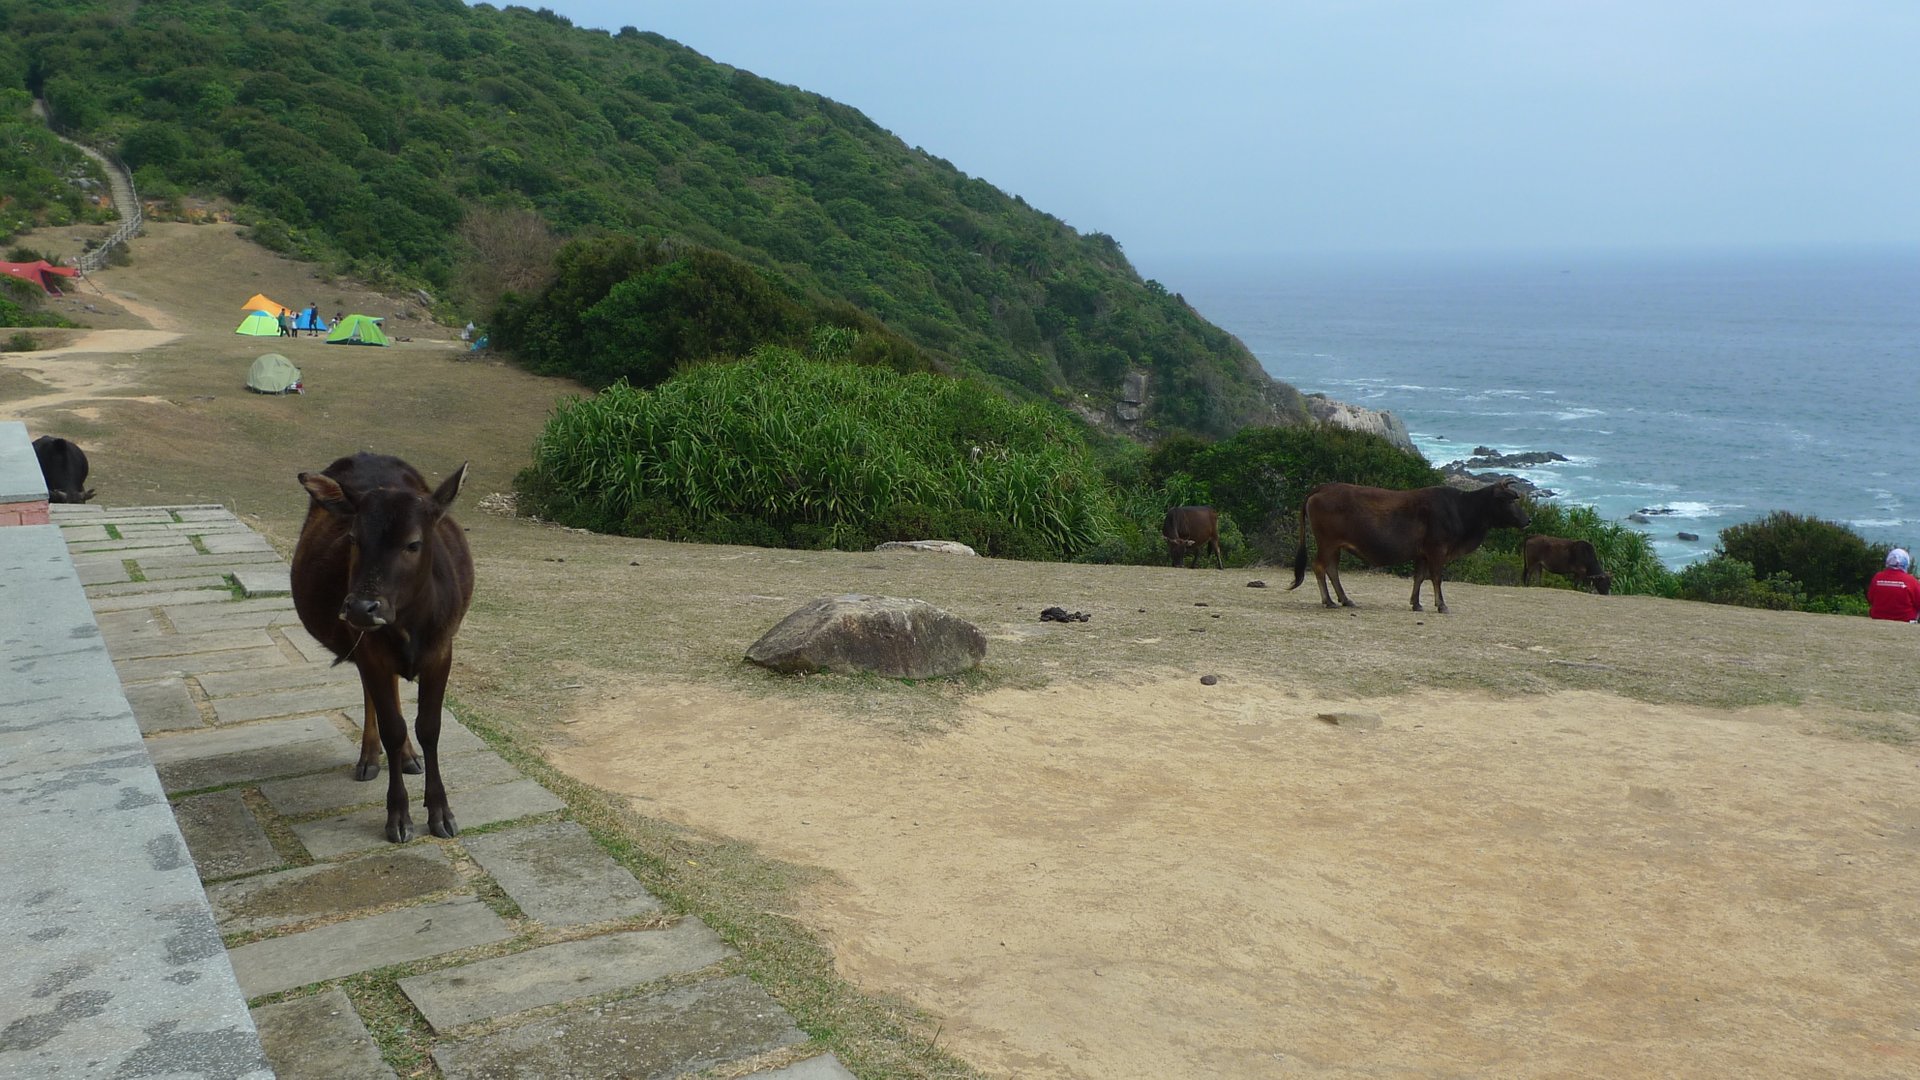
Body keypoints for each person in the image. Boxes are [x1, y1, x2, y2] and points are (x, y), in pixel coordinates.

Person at [1867, 547, 1920, 622]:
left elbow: (1870, 598)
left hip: (1878, 617)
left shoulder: (1877, 577)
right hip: (1905, 619)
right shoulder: (1911, 580)